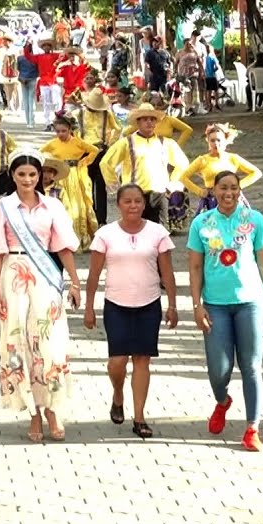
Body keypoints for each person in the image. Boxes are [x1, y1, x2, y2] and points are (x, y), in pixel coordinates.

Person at [0, 151, 82, 442]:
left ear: (40, 176)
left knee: (49, 341)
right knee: (19, 339)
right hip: (14, 273)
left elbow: (63, 247)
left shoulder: (52, 206)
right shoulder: (1, 208)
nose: (27, 180)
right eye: (21, 174)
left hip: (46, 275)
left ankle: (52, 408)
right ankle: (34, 412)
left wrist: (74, 281)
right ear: (12, 175)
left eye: (32, 175)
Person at [187, 171, 263, 451]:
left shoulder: (255, 220)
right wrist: (196, 304)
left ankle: (253, 427)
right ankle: (222, 401)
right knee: (219, 369)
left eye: (234, 188)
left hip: (251, 301)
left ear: (240, 191)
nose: (229, 193)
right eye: (223, 188)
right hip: (215, 304)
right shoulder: (201, 223)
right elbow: (194, 267)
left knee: (251, 366)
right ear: (213, 190)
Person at [83, 184, 178, 439]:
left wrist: (173, 304)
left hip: (149, 303)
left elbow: (167, 272)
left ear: (144, 204)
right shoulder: (106, 234)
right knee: (117, 361)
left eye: (137, 201)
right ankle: (117, 393)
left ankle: (139, 417)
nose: (133, 206)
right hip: (116, 303)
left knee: (142, 359)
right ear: (119, 205)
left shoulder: (158, 233)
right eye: (127, 201)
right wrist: (89, 307)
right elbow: (93, 274)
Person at [100, 103, 189, 225]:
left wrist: (172, 183)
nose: (149, 122)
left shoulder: (165, 143)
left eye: (152, 119)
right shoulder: (127, 143)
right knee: (135, 231)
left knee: (160, 234)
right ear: (138, 122)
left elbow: (182, 163)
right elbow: (106, 163)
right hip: (134, 195)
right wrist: (116, 186)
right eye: (145, 119)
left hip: (159, 194)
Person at [40, 115, 101, 248]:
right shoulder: (53, 143)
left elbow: (94, 150)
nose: (60, 134)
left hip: (74, 175)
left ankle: (80, 237)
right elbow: (40, 153)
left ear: (69, 130)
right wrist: (51, 163)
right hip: (60, 175)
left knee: (76, 205)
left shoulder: (77, 142)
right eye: (58, 131)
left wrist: (84, 161)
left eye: (63, 131)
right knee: (62, 205)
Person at [179, 123, 262, 219]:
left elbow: (256, 172)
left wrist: (239, 186)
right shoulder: (202, 160)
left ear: (225, 141)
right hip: (212, 201)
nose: (216, 143)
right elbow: (183, 177)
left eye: (219, 140)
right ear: (208, 142)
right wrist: (199, 191)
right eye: (212, 140)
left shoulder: (233, 158)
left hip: (232, 198)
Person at [74, 89, 122, 226]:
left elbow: (117, 129)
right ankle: (89, 216)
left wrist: (110, 143)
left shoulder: (107, 114)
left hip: (101, 151)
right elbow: (71, 128)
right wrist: (78, 143)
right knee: (85, 184)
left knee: (100, 186)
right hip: (84, 152)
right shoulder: (79, 113)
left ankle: (101, 219)